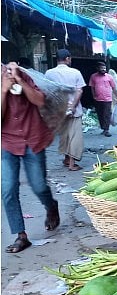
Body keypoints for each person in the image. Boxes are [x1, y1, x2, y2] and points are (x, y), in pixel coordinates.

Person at [2, 62, 61, 253]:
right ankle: (21, 235)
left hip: (33, 138)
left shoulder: (22, 75)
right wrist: (3, 91)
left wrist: (19, 79)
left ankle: (51, 206)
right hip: (7, 143)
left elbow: (39, 100)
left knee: (39, 185)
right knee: (8, 188)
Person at [44, 50, 85, 171]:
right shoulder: (75, 72)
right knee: (74, 136)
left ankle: (67, 159)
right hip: (74, 110)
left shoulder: (49, 73)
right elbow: (79, 90)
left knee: (64, 135)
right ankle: (72, 164)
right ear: (67, 58)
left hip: (58, 110)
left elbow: (47, 91)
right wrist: (72, 106)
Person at [88, 61, 117, 136]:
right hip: (98, 99)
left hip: (108, 99)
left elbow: (114, 88)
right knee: (100, 114)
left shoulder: (109, 77)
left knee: (107, 114)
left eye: (104, 68)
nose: (103, 69)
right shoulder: (93, 76)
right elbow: (92, 87)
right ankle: (103, 128)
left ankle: (106, 129)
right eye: (102, 68)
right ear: (97, 68)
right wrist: (94, 96)